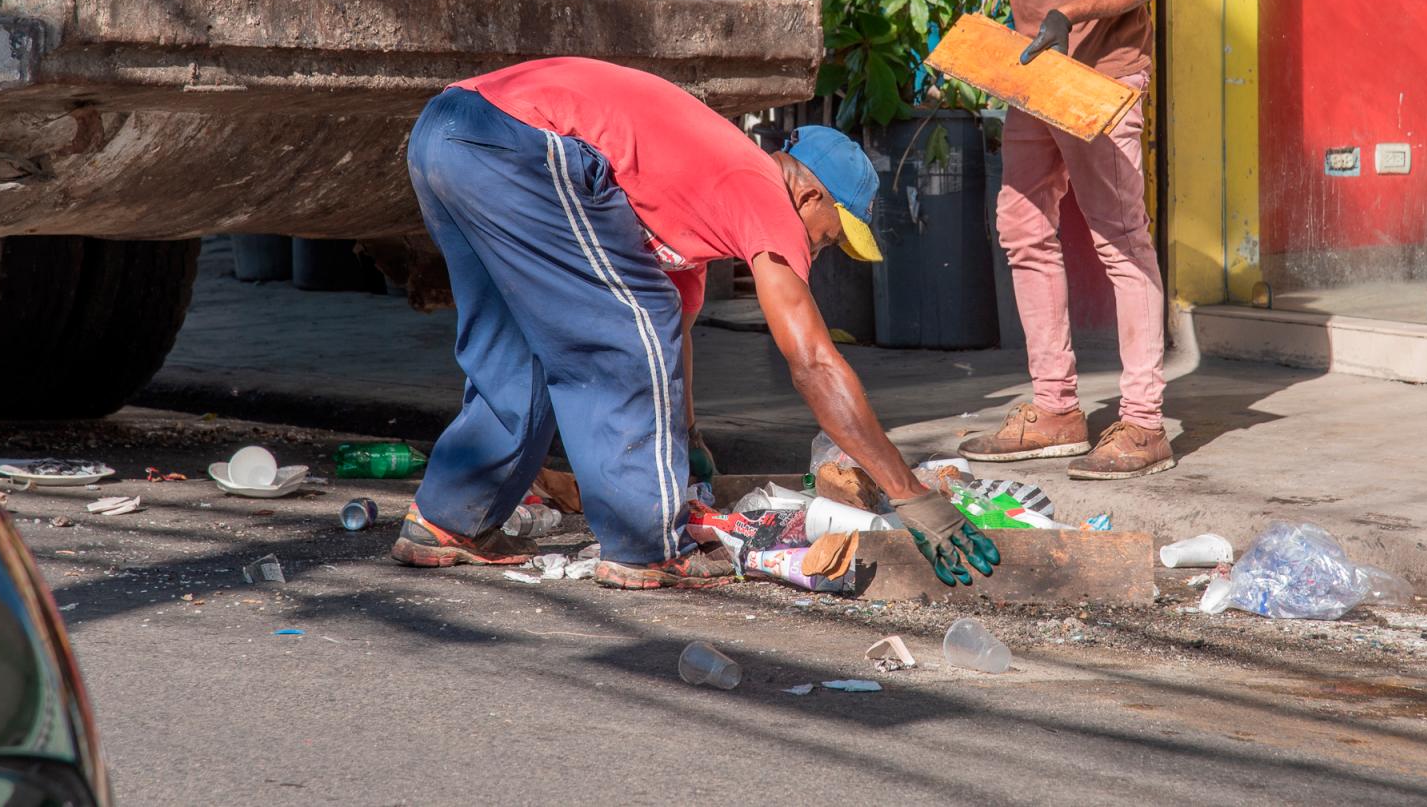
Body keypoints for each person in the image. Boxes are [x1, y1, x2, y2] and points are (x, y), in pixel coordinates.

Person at [392, 58, 997, 589]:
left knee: (521, 344)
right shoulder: (759, 189)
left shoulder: (698, 203)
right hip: (517, 139)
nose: (820, 250)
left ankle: (447, 518)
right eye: (833, 237)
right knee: (620, 338)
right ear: (810, 198)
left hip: (447, 132)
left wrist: (689, 439)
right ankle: (644, 547)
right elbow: (811, 360)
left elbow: (674, 325)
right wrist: (909, 493)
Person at [828, 0, 1174, 479]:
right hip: (1030, 66)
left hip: (1096, 71)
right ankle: (1056, 406)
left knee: (1120, 237)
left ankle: (1145, 420)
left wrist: (1071, 13)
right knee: (1021, 223)